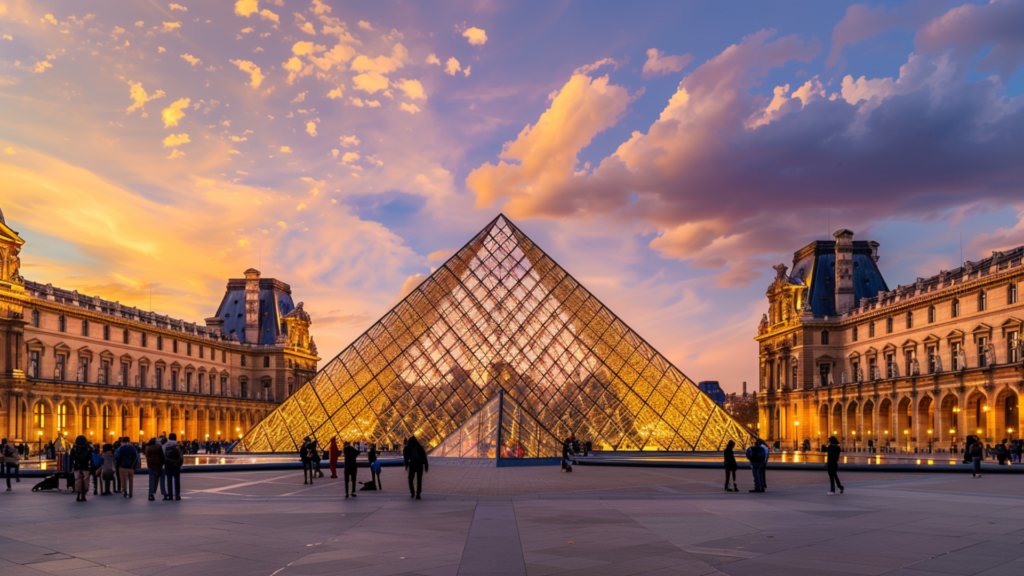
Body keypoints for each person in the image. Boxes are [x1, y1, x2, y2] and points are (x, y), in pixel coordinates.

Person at [69, 435, 93, 502]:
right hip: (85, 466)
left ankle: (78, 494)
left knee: (78, 480)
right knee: (85, 480)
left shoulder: (74, 448)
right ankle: (84, 495)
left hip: (77, 466)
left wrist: (71, 467)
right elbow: (91, 458)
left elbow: (71, 458)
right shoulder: (88, 448)